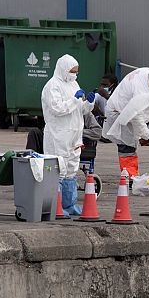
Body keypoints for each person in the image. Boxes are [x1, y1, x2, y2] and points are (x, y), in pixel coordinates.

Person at [41, 54, 95, 215]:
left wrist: (88, 103)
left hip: (74, 135)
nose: (75, 74)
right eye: (72, 71)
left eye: (76, 71)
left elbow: (80, 110)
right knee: (59, 168)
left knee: (72, 168)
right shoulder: (52, 86)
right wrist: (74, 100)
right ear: (63, 69)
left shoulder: (73, 83)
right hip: (58, 135)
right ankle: (55, 207)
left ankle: (69, 205)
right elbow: (57, 109)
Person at [102, 67, 149, 177]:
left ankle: (131, 174)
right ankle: (129, 176)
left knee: (131, 143)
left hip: (123, 107)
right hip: (118, 113)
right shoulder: (141, 93)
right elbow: (136, 119)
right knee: (127, 145)